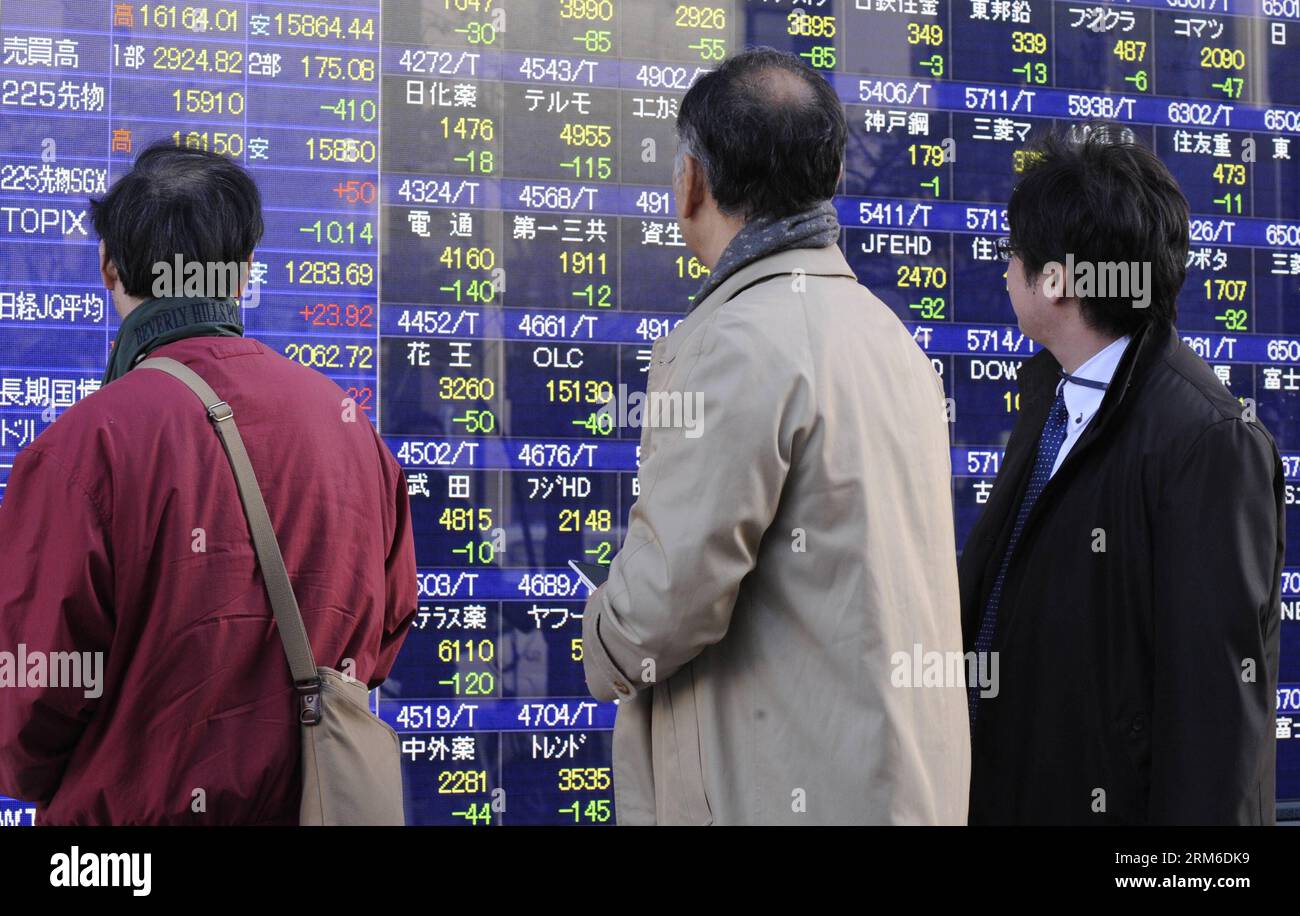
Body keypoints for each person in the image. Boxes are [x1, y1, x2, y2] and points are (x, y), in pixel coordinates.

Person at [580, 49, 969, 825]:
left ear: (692, 182)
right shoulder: (888, 335)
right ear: (827, 178)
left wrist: (601, 636)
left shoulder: (736, 339)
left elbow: (666, 604)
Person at [0, 142, 418, 824]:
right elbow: (380, 636)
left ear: (110, 266)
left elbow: (26, 719)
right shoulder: (350, 430)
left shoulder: (80, 450)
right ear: (244, 269)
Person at [961, 125, 1283, 824]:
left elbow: (1215, 722)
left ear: (1060, 279)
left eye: (1015, 254)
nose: (1005, 270)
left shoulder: (1208, 443)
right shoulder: (1050, 396)